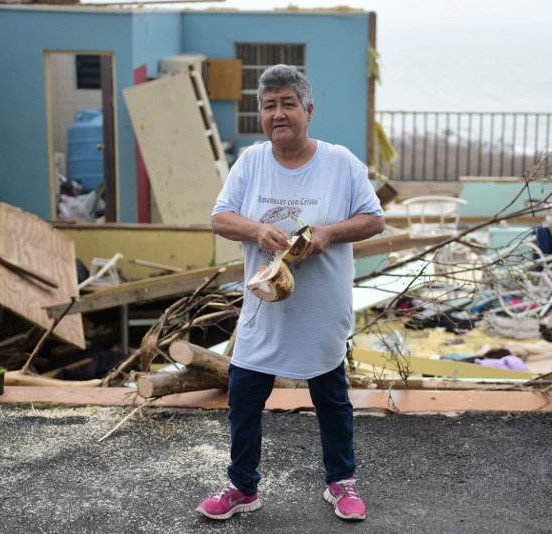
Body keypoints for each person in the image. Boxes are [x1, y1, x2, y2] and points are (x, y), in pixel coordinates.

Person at [196, 64, 384, 522]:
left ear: (308, 110)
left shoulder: (340, 163)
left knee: (331, 399)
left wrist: (328, 233)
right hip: (265, 310)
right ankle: (242, 487)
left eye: (288, 104)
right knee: (243, 398)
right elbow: (220, 218)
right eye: (269, 106)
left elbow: (374, 219)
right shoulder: (251, 162)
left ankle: (341, 482)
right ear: (261, 114)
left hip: (320, 309)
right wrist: (258, 229)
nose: (278, 114)